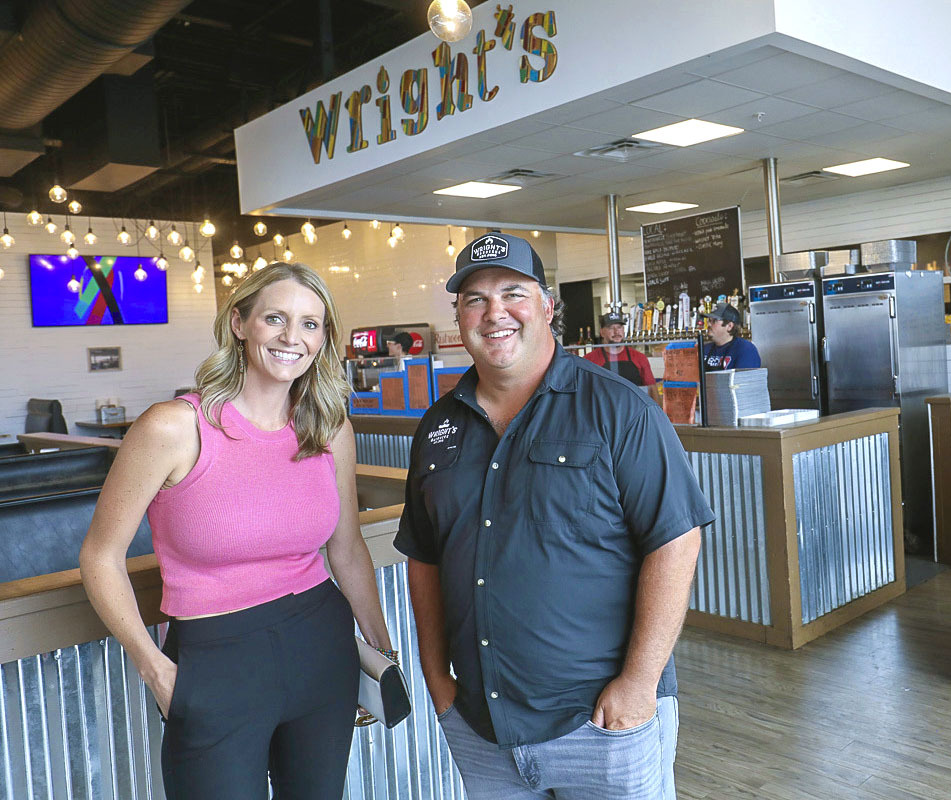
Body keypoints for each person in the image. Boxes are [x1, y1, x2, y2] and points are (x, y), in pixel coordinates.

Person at [395, 232, 715, 799]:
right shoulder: (439, 426)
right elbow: (425, 556)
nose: (495, 313)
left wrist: (638, 687)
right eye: (475, 299)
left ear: (546, 306)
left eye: (513, 293)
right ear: (460, 317)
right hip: (482, 724)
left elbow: (675, 542)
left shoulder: (619, 409)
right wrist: (437, 677)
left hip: (601, 722)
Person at [79, 262, 393, 799]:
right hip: (215, 657)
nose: (293, 338)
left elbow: (346, 548)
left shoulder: (329, 427)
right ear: (241, 323)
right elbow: (100, 558)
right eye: (276, 318)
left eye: (311, 324)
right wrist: (155, 670)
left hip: (322, 646)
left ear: (324, 339)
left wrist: (381, 653)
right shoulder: (174, 427)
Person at [583, 311, 656, 387]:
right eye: (611, 328)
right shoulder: (589, 360)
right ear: (602, 332)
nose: (616, 332)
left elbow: (651, 389)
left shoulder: (640, 358)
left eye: (619, 327)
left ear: (623, 330)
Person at [700, 301, 760, 371]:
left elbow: (744, 380)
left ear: (729, 326)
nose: (709, 325)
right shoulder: (704, 349)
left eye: (714, 321)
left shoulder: (746, 350)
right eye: (709, 321)